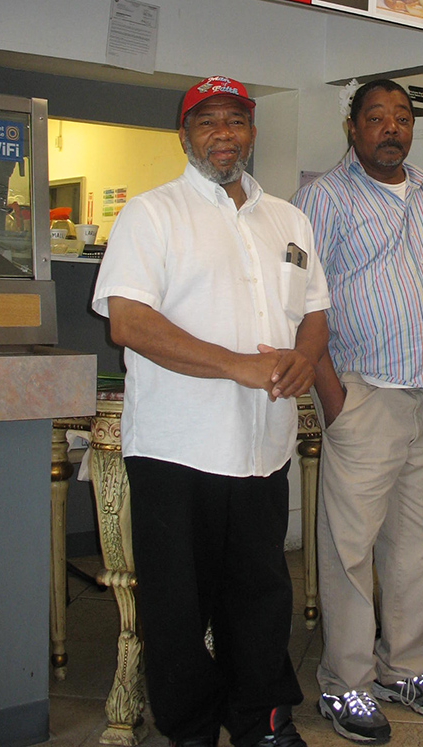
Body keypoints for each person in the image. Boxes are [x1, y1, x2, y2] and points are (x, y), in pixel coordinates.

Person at [92, 75, 330, 747]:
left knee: (261, 594)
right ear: (185, 134)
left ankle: (262, 719)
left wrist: (305, 359)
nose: (224, 133)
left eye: (236, 120)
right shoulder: (152, 213)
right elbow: (130, 323)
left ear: (252, 131)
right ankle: (191, 728)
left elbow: (315, 311)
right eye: (209, 122)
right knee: (176, 604)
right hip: (178, 448)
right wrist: (240, 364)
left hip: (262, 444)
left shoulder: (288, 218)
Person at [293, 79, 423, 744]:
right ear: (352, 126)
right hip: (365, 395)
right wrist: (335, 399)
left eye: (402, 117)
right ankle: (345, 680)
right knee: (349, 549)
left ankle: (406, 666)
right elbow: (302, 303)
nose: (391, 128)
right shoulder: (321, 198)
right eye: (377, 117)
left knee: (419, 546)